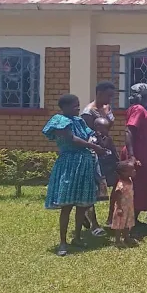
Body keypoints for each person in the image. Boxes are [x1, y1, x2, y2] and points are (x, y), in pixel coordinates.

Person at [43, 94, 109, 256]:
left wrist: (99, 136)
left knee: (81, 204)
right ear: (64, 107)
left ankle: (77, 237)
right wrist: (94, 147)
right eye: (74, 106)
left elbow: (89, 133)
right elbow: (71, 139)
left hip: (84, 164)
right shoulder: (59, 120)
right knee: (66, 206)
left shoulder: (79, 121)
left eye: (78, 105)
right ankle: (63, 242)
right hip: (69, 163)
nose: (77, 108)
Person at [81, 80, 118, 237]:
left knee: (117, 183)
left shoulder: (107, 108)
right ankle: (94, 223)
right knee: (93, 188)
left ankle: (111, 218)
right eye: (108, 96)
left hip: (108, 150)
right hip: (95, 153)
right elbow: (88, 136)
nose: (110, 99)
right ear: (99, 93)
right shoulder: (88, 113)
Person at [123, 83, 147, 228]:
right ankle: (129, 222)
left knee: (141, 186)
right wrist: (132, 155)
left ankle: (134, 220)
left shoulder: (137, 109)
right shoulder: (138, 109)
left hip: (144, 152)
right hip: (138, 153)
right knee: (136, 187)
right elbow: (129, 131)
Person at [93, 117, 120, 227]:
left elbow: (113, 153)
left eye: (107, 129)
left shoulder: (108, 138)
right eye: (102, 128)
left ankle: (110, 217)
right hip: (97, 169)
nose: (105, 131)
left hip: (109, 168)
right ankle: (90, 219)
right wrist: (99, 138)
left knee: (117, 189)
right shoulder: (92, 139)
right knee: (91, 194)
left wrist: (118, 164)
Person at [109, 160, 139, 249]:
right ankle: (118, 240)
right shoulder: (121, 184)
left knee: (127, 223)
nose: (134, 171)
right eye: (131, 170)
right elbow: (117, 196)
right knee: (119, 224)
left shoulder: (130, 180)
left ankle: (126, 237)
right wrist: (119, 208)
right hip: (121, 207)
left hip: (129, 206)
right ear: (123, 173)